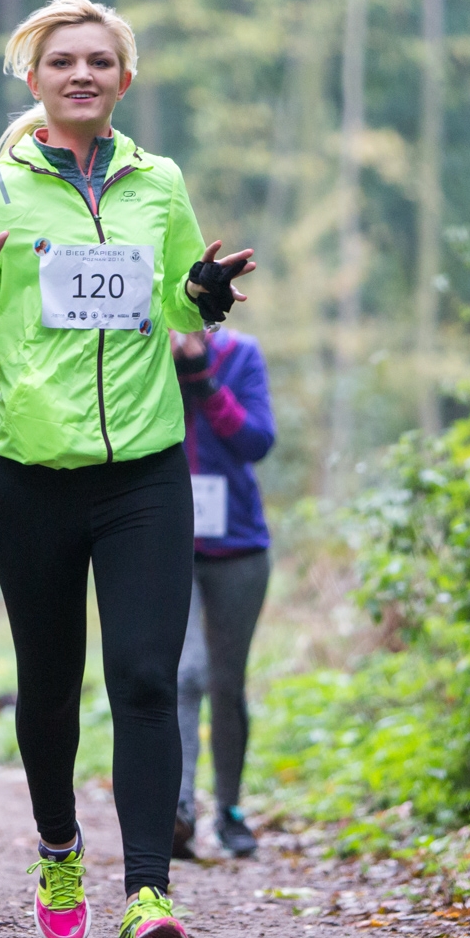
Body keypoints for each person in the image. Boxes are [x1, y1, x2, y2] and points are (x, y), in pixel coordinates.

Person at [0, 0, 254, 938]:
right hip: (30, 476)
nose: (81, 74)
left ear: (124, 79)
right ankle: (59, 849)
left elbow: (178, 303)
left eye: (99, 61)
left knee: (147, 676)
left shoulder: (160, 183)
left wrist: (204, 295)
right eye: (62, 61)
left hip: (145, 469)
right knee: (51, 684)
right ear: (34, 79)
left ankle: (148, 895)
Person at [168, 329, 275, 860]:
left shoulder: (241, 355)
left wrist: (203, 377)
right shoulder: (147, 348)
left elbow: (256, 441)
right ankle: (178, 811)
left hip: (238, 546)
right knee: (185, 672)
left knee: (227, 683)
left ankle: (229, 811)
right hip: (168, 544)